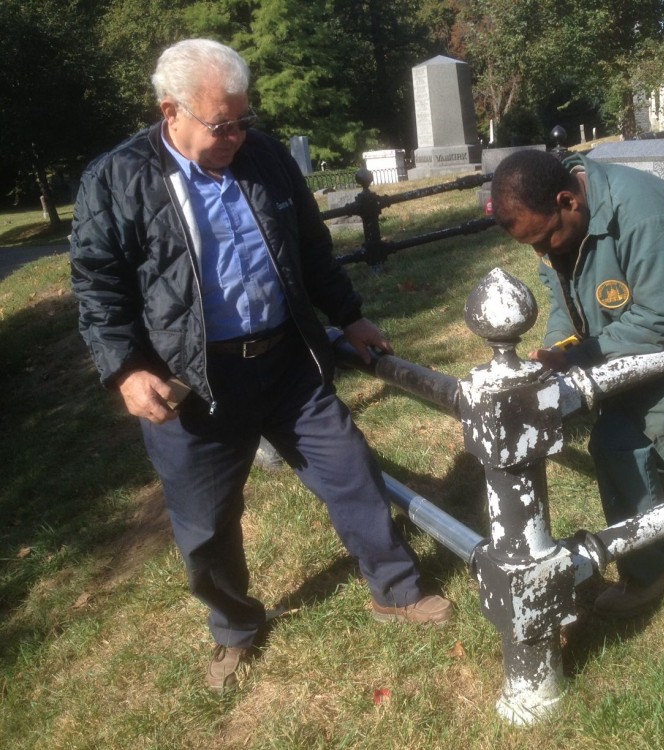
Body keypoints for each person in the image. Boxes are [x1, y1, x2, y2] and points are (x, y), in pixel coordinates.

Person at [70, 39, 453, 692]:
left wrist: (350, 315)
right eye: (225, 125)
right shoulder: (117, 177)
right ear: (172, 110)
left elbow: (311, 247)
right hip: (193, 383)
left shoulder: (266, 157)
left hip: (287, 365)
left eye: (244, 119)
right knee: (205, 524)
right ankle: (235, 629)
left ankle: (395, 590)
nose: (239, 135)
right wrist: (126, 368)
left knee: (353, 471)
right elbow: (98, 284)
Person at [490, 149, 664, 618]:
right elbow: (566, 304)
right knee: (651, 437)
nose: (542, 253)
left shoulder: (645, 217)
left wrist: (581, 355)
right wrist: (559, 348)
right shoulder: (562, 226)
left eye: (545, 238)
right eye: (533, 247)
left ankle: (655, 571)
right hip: (663, 355)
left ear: (568, 200)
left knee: (617, 440)